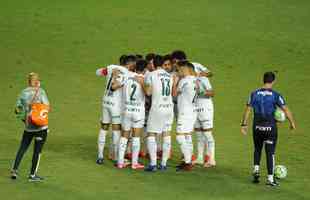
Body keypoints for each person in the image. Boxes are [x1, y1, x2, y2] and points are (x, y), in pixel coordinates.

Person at [241, 71, 296, 186]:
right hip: (270, 128)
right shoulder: (276, 95)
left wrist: (244, 124)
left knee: (257, 149)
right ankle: (270, 179)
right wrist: (292, 122)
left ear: (263, 80)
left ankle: (256, 170)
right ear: (273, 81)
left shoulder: (254, 94)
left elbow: (248, 110)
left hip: (256, 127)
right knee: (270, 152)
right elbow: (285, 109)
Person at [95, 55, 136, 164]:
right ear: (129, 64)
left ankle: (100, 156)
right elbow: (113, 87)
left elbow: (98, 72)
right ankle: (117, 157)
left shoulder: (111, 67)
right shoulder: (126, 73)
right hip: (115, 105)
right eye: (133, 64)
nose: (134, 66)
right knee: (116, 129)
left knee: (104, 128)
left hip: (105, 101)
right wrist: (117, 80)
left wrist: (110, 72)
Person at [11, 72, 50, 182]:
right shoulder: (41, 92)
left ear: (28, 81)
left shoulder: (23, 93)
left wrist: (25, 120)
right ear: (37, 81)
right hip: (41, 128)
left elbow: (17, 110)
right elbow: (47, 107)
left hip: (28, 127)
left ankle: (14, 170)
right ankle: (32, 175)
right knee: (37, 151)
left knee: (22, 148)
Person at [144, 55, 175, 171]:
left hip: (157, 108)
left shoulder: (151, 75)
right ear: (162, 64)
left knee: (151, 134)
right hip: (169, 108)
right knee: (166, 134)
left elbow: (148, 92)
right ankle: (163, 164)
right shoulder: (169, 76)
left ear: (153, 65)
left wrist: (142, 82)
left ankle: (152, 164)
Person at [117, 59, 147, 169]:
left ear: (134, 67)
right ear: (144, 70)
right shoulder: (144, 79)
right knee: (136, 137)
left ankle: (120, 162)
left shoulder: (126, 75)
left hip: (126, 110)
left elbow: (116, 86)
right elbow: (148, 93)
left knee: (124, 136)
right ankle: (134, 163)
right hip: (138, 112)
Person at [172, 61, 197, 171]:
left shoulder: (184, 81)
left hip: (184, 112)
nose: (179, 72)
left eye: (180, 70)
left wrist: (174, 82)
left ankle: (187, 162)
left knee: (179, 136)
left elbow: (174, 94)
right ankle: (188, 161)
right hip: (193, 111)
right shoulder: (196, 80)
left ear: (186, 69)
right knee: (187, 136)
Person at [194, 73, 216, 167]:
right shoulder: (189, 80)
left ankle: (212, 159)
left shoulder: (203, 79)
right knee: (199, 135)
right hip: (195, 108)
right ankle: (199, 158)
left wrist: (200, 92)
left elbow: (212, 93)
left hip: (205, 108)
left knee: (207, 133)